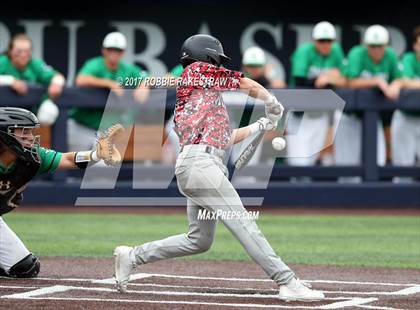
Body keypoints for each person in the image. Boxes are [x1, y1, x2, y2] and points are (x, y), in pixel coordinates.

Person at [113, 34, 325, 302]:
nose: (218, 65)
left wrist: (260, 125)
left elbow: (224, 138)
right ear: (205, 57)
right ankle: (287, 281)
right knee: (243, 222)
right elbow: (242, 81)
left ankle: (132, 256)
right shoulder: (197, 70)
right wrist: (271, 101)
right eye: (215, 60)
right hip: (202, 165)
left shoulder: (201, 95)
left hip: (198, 165)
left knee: (199, 240)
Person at [0, 107, 123, 278]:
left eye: (29, 131)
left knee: (26, 267)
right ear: (4, 135)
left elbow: (66, 159)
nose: (30, 137)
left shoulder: (30, 158)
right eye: (23, 132)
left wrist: (95, 155)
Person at [335, 25, 403, 177]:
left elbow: (398, 77)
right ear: (366, 45)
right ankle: (345, 200)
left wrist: (396, 84)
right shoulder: (357, 53)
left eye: (380, 46)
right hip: (349, 116)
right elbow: (350, 81)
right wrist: (377, 81)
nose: (376, 50)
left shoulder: (390, 55)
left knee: (377, 161)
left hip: (372, 118)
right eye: (373, 46)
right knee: (347, 167)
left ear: (386, 45)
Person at [68, 31, 149, 151]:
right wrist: (109, 83)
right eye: (111, 49)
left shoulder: (127, 69)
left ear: (123, 53)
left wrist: (144, 85)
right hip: (82, 126)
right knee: (76, 164)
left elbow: (146, 77)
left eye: (118, 50)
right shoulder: (95, 64)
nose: (114, 53)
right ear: (104, 50)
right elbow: (81, 79)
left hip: (106, 131)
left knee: (101, 167)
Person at [288, 21, 346, 167]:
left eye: (329, 41)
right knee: (298, 164)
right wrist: (325, 77)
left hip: (320, 115)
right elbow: (300, 81)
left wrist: (329, 78)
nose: (326, 44)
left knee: (312, 162)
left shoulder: (336, 51)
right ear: (314, 41)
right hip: (299, 114)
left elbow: (344, 79)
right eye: (322, 41)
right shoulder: (304, 51)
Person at [0, 34, 65, 126]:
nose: (23, 55)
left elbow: (57, 76)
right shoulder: (3, 61)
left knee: (49, 111)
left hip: (27, 117)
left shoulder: (35, 64)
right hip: (3, 117)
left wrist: (56, 84)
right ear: (10, 51)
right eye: (18, 51)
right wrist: (10, 81)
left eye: (27, 51)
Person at [391, 26, 420, 182]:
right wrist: (409, 83)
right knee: (403, 171)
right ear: (415, 45)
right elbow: (406, 81)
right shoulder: (408, 59)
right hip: (406, 117)